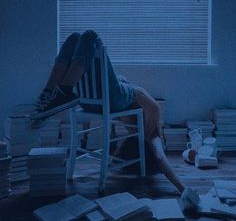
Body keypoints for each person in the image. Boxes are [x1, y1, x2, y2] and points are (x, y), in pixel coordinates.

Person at [33, 30, 199, 204]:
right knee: (75, 38)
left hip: (102, 99)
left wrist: (183, 189)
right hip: (95, 101)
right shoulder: (136, 129)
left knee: (89, 36)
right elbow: (159, 158)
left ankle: (57, 92)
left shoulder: (151, 136)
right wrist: (182, 188)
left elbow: (159, 153)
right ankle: (53, 95)